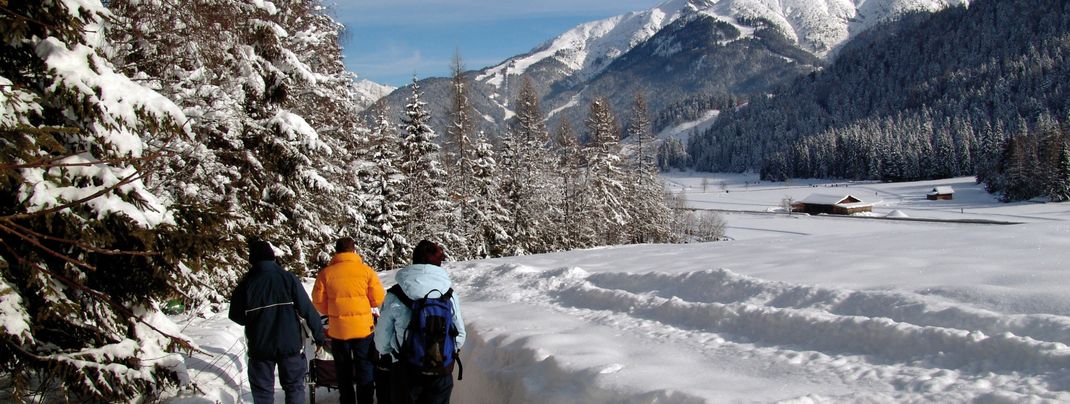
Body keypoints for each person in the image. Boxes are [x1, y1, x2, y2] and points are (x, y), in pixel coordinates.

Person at [229, 239, 325, 404]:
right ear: (272, 257)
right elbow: (307, 309)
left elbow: (235, 315)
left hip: (260, 347)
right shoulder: (288, 278)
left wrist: (253, 321)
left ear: (252, 260)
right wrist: (319, 336)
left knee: (263, 393)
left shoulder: (246, 284)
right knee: (294, 387)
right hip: (290, 343)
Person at [375, 240, 466, 404]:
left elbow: (381, 340)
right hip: (440, 370)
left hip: (405, 369)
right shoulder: (449, 294)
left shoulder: (396, 293)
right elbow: (460, 335)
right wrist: (442, 352)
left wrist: (390, 354)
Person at [312, 237, 386, 404]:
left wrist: (332, 311)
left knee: (343, 369)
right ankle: (365, 400)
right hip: (363, 329)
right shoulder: (366, 271)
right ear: (354, 251)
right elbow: (377, 299)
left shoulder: (325, 274)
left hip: (338, 330)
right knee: (364, 366)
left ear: (336, 252)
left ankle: (347, 400)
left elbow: (318, 302)